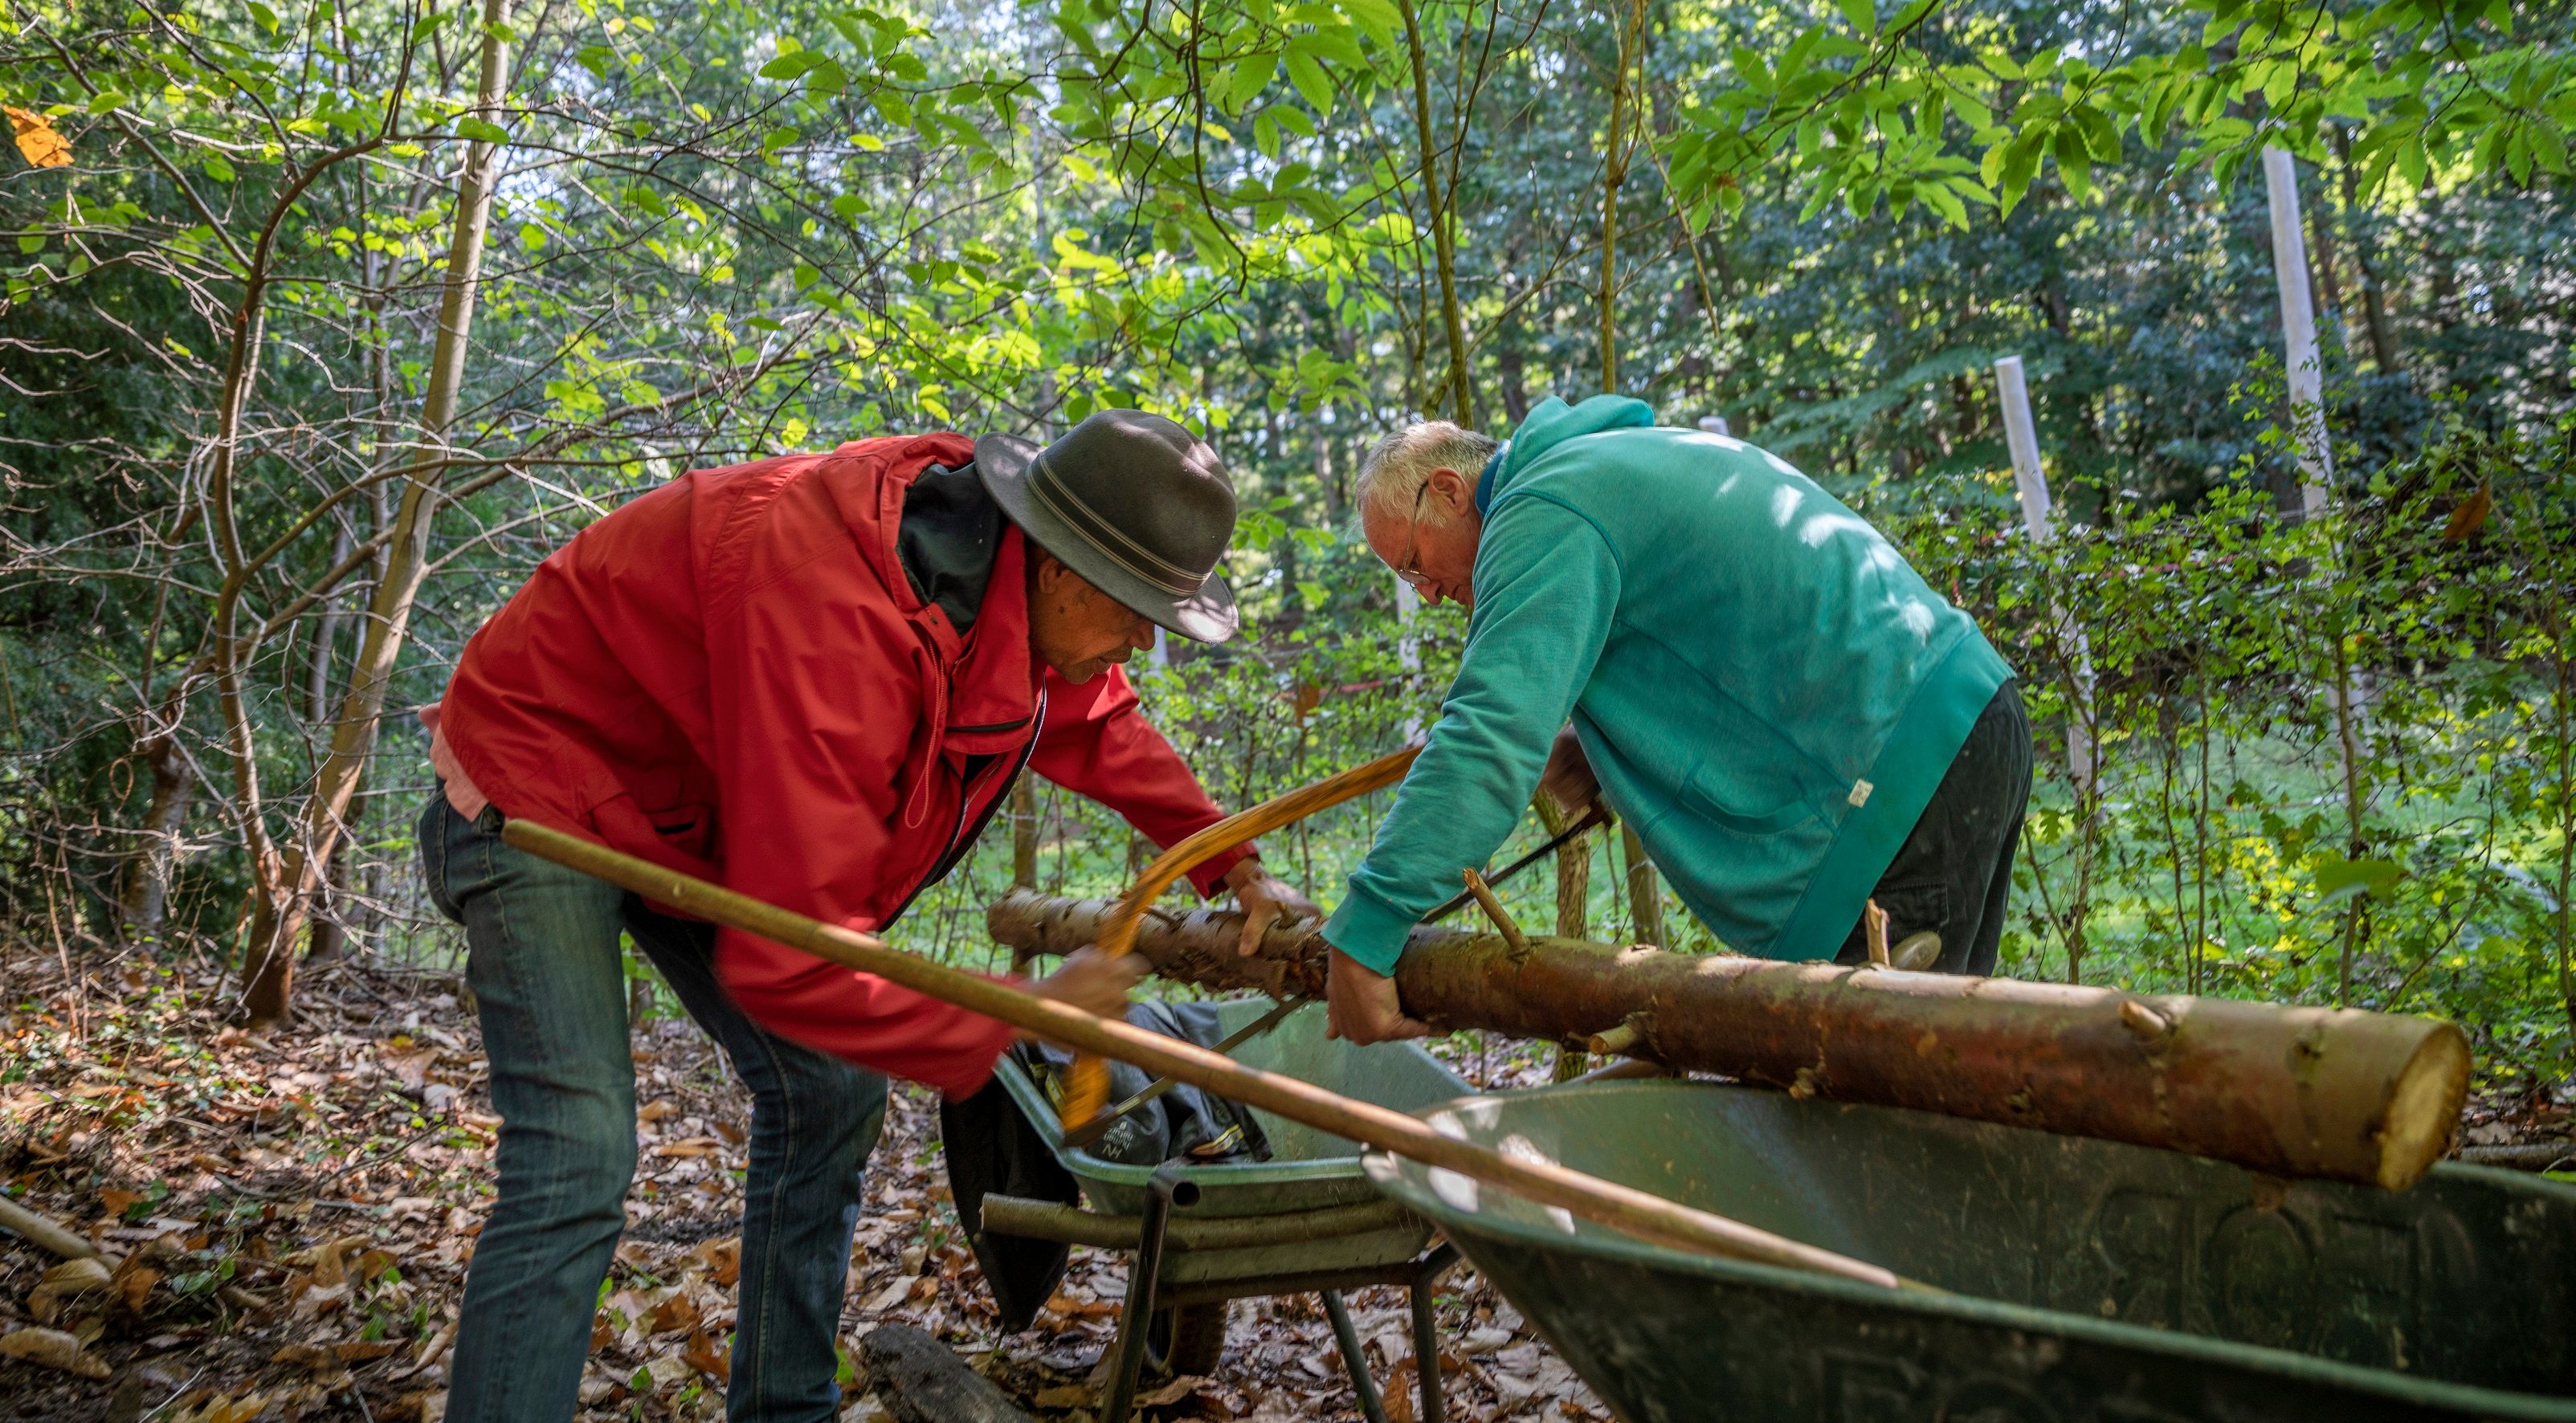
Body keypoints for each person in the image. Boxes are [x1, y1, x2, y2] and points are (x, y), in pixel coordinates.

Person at [416, 410, 1318, 1422]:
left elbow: (1097, 723)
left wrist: (1231, 863)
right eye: (1141, 608)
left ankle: (784, 1408)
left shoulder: (1003, 581)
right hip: (540, 774)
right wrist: (1026, 1013)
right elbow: (790, 961)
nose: (1148, 637)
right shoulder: (836, 611)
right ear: (1064, 566)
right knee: (577, 1153)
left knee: (831, 1088)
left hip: (692, 807)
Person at [1322, 395, 2031, 1045]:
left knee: (1878, 1113)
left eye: (1415, 564)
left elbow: (1487, 736)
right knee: (1934, 1080)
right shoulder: (1594, 469)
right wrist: (1598, 751)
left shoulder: (1540, 509)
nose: (1430, 594)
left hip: (1897, 779)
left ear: (1447, 489)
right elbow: (1725, 646)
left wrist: (1366, 933)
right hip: (1951, 717)